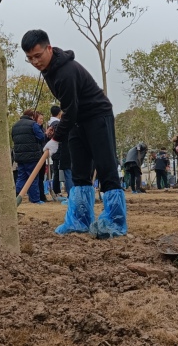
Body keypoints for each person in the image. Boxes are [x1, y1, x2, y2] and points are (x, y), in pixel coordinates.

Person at [22, 29, 127, 238]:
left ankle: (114, 222)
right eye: (30, 58)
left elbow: (70, 110)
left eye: (38, 56)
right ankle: (80, 221)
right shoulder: (48, 70)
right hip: (78, 121)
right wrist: (58, 130)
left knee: (105, 167)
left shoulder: (65, 72)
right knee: (79, 171)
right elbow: (70, 110)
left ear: (49, 48)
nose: (35, 62)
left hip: (97, 116)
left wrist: (56, 138)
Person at [11, 109, 45, 204]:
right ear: (32, 116)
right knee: (33, 177)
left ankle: (16, 196)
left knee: (21, 177)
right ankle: (35, 199)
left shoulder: (15, 126)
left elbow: (13, 138)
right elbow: (41, 137)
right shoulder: (33, 124)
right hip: (32, 155)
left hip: (19, 156)